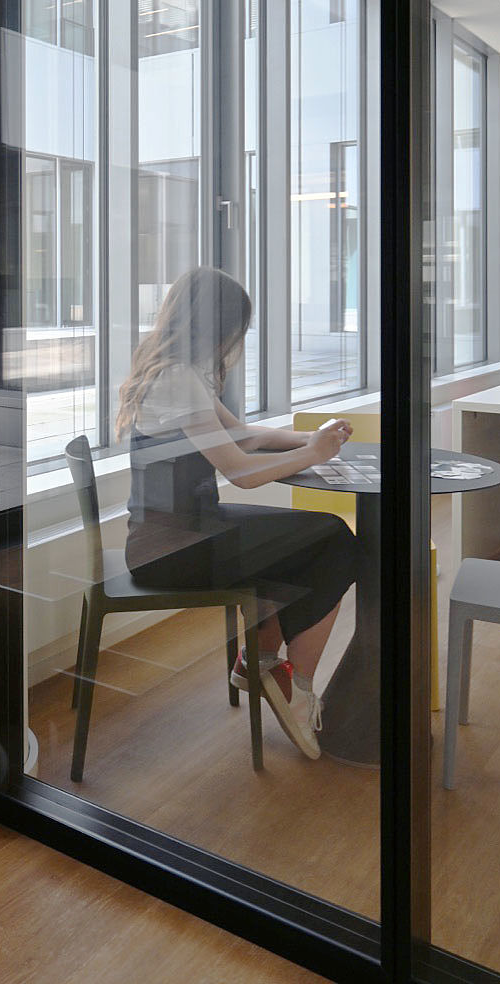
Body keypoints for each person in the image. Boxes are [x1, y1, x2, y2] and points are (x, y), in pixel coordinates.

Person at [116, 267, 357, 759]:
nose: (236, 339)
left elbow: (244, 436)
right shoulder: (179, 379)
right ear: (217, 325)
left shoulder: (176, 371)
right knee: (332, 537)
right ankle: (297, 687)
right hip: (175, 549)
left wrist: (317, 440)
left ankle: (261, 660)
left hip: (177, 535)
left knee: (313, 537)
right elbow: (242, 471)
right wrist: (311, 454)